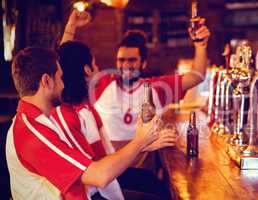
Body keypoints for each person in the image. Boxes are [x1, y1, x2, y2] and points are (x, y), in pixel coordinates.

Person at [6, 47, 161, 200]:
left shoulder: (39, 119)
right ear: (46, 81)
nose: (63, 85)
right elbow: (99, 176)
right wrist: (140, 140)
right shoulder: (32, 132)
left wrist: (142, 142)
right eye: (60, 78)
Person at [62, 10, 210, 150]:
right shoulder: (102, 83)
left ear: (143, 63)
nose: (126, 65)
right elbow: (67, 67)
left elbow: (196, 76)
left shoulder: (156, 87)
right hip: (109, 165)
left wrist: (200, 45)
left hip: (143, 168)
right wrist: (71, 28)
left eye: (132, 60)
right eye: (121, 60)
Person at [55, 41, 177, 199]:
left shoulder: (84, 106)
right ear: (87, 70)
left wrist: (146, 144)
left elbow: (106, 159)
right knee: (162, 195)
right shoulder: (78, 114)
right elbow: (101, 174)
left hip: (105, 177)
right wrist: (141, 142)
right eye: (95, 65)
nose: (98, 69)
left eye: (132, 60)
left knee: (158, 185)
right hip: (94, 191)